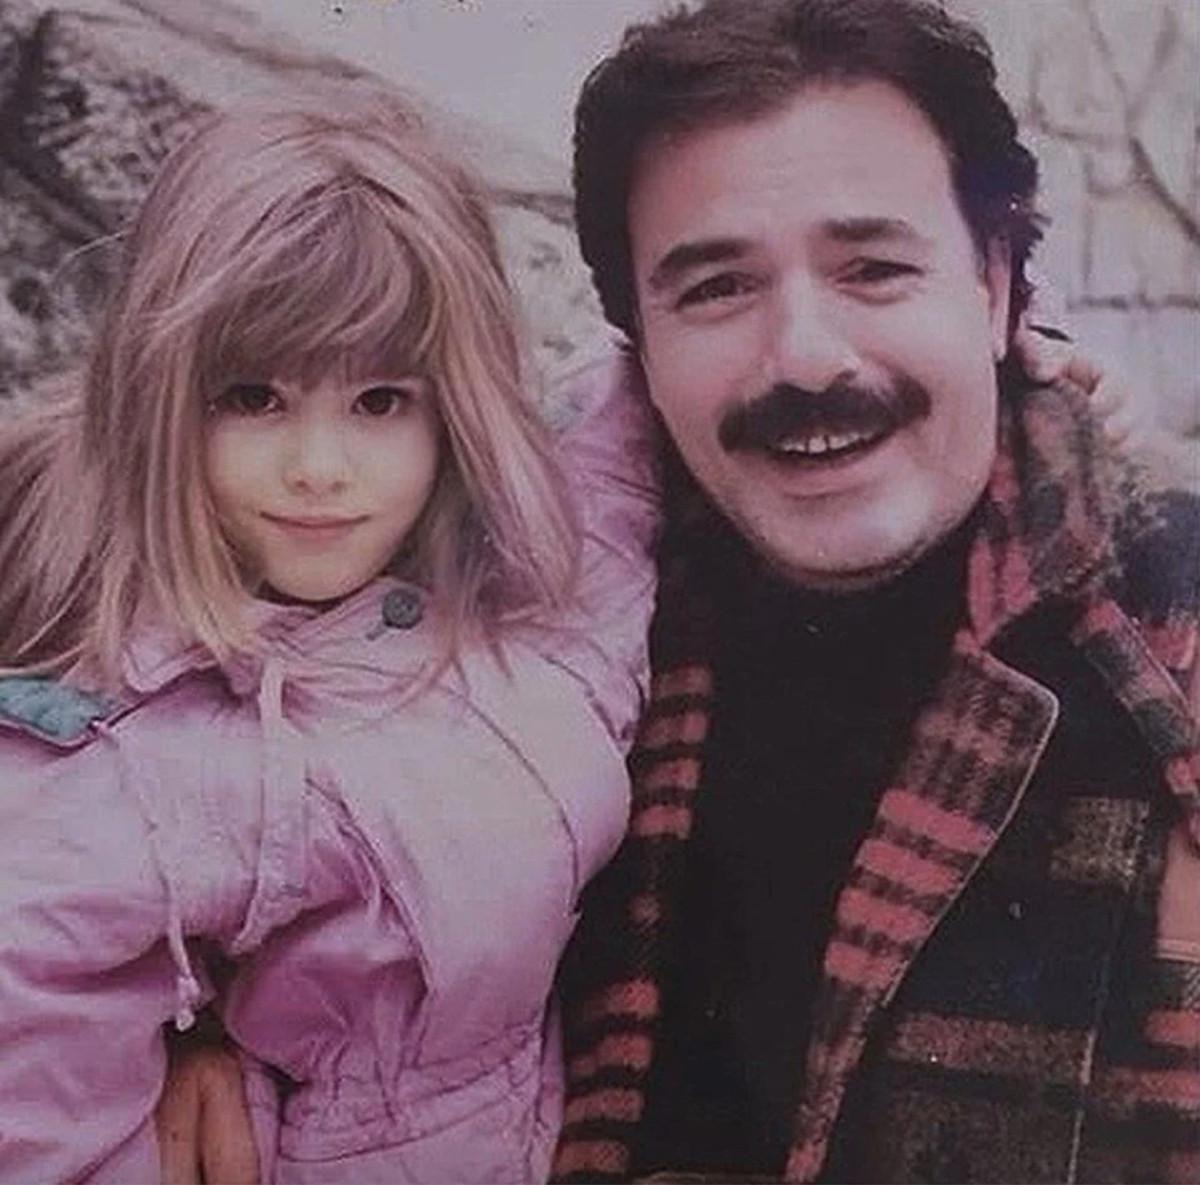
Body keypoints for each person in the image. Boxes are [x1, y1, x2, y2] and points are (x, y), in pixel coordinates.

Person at [549, 2, 1199, 1182]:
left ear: (996, 289)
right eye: (716, 288)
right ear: (636, 346)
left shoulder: (1171, 644)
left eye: (875, 269)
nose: (805, 355)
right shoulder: (537, 664)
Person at [0, 91, 658, 1183]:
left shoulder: (540, 581)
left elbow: (647, 405)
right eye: (254, 397)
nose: (318, 468)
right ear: (165, 399)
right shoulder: (133, 754)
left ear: (458, 405)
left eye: (380, 401)